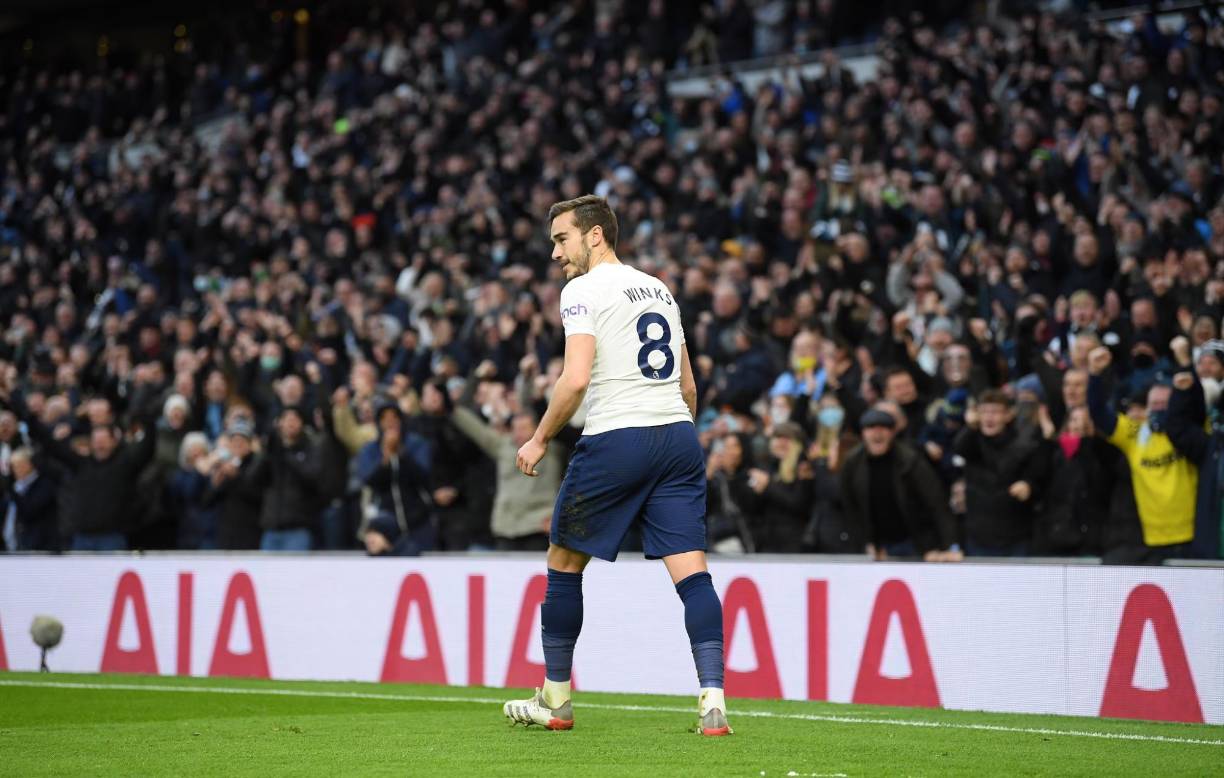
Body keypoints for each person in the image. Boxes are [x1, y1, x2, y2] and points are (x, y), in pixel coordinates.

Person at [503, 196, 730, 736]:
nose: (555, 251)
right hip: (678, 435)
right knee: (692, 572)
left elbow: (576, 378)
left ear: (596, 235)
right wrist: (672, 435)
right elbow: (689, 386)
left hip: (616, 437)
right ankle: (713, 702)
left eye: (562, 239)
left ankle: (556, 699)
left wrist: (538, 439)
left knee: (562, 564)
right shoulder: (659, 288)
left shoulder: (581, 290)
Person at [1087, 347, 1197, 562]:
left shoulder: (1189, 431)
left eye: (1165, 405)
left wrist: (1186, 366)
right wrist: (1095, 375)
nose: (1159, 410)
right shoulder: (1136, 434)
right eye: (1154, 405)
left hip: (1191, 535)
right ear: (1146, 410)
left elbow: (1196, 401)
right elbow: (1099, 413)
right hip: (1152, 538)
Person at [840, 408, 962, 561]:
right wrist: (867, 542)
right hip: (879, 545)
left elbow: (937, 503)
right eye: (871, 428)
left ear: (892, 433)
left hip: (916, 542)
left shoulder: (910, 460)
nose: (877, 433)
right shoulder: (852, 463)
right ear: (863, 433)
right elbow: (851, 507)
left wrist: (951, 546)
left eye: (883, 428)